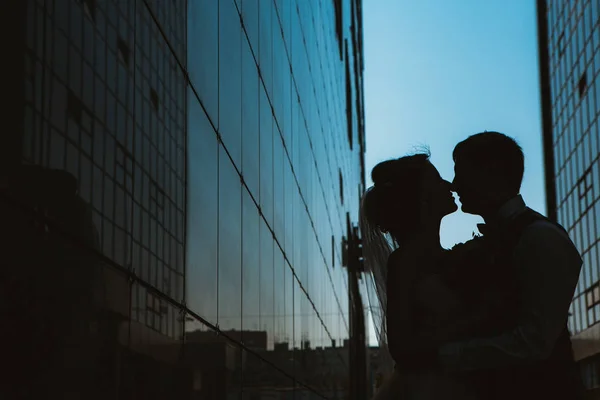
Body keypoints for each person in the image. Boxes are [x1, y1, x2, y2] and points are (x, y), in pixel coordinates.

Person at [434, 131, 584, 399]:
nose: (454, 185)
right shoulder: (502, 239)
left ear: (489, 173)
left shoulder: (540, 237)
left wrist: (447, 355)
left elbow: (535, 342)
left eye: (461, 173)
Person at [361, 151, 479, 399]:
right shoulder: (404, 263)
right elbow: (402, 346)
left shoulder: (452, 257)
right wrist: (478, 320)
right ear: (421, 198)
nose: (448, 185)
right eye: (437, 181)